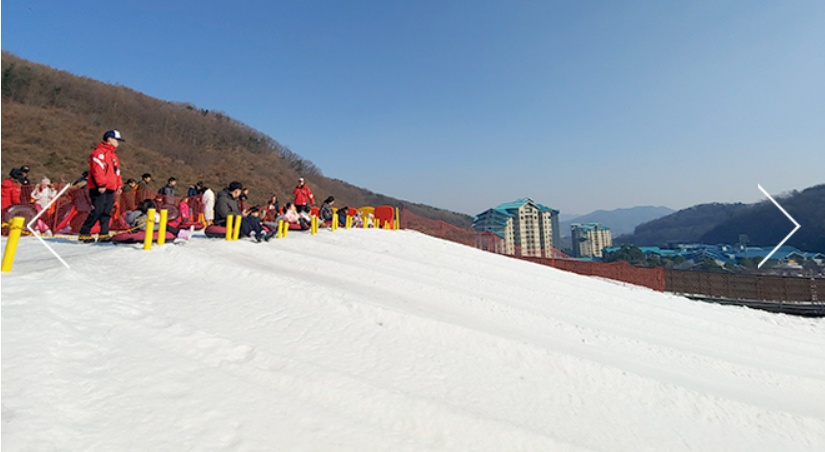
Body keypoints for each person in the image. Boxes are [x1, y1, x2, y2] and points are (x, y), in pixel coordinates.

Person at [78, 129, 125, 243]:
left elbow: (116, 172)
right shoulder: (98, 153)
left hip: (111, 187)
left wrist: (119, 185)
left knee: (107, 211)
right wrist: (101, 184)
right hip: (99, 187)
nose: (118, 143)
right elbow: (97, 170)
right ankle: (84, 231)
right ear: (109, 139)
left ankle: (104, 233)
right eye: (116, 140)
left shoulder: (113, 156)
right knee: (98, 210)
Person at [125, 199, 193, 240]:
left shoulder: (133, 213)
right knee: (165, 226)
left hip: (136, 227)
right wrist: (158, 225)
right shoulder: (142, 215)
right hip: (141, 229)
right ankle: (182, 234)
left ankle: (182, 232)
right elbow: (142, 226)